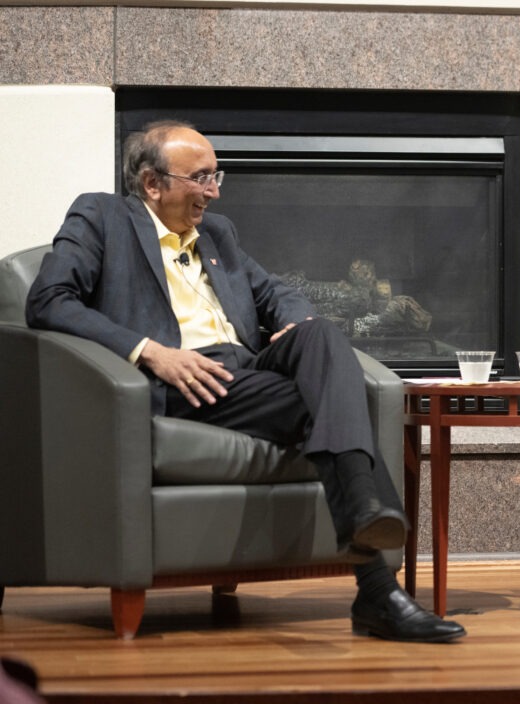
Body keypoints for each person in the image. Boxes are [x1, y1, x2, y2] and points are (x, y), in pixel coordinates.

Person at [25, 120, 466, 643]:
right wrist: (151, 353)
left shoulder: (217, 234)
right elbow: (49, 301)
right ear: (152, 183)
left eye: (217, 177)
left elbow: (275, 291)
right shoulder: (101, 217)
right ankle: (378, 588)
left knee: (321, 334)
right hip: (186, 378)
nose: (213, 191)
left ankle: (365, 524)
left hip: (246, 368)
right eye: (201, 178)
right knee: (325, 406)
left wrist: (293, 321)